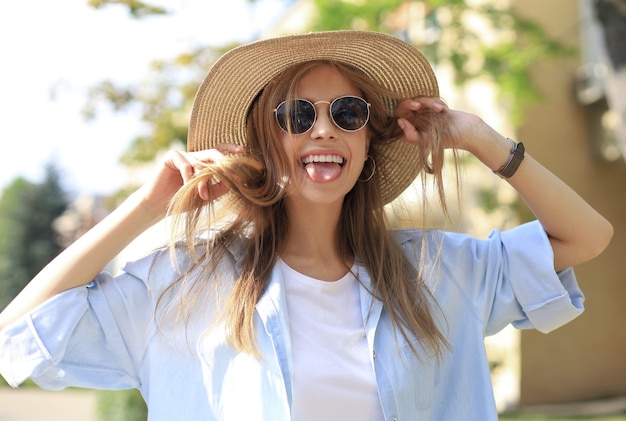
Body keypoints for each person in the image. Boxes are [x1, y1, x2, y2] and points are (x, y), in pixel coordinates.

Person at [0, 30, 613, 420]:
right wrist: (146, 207)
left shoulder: (438, 270)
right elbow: (16, 336)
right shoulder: (183, 284)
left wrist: (481, 140)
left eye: (346, 113)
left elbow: (586, 236)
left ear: (367, 144)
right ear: (266, 144)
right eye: (296, 114)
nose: (323, 129)